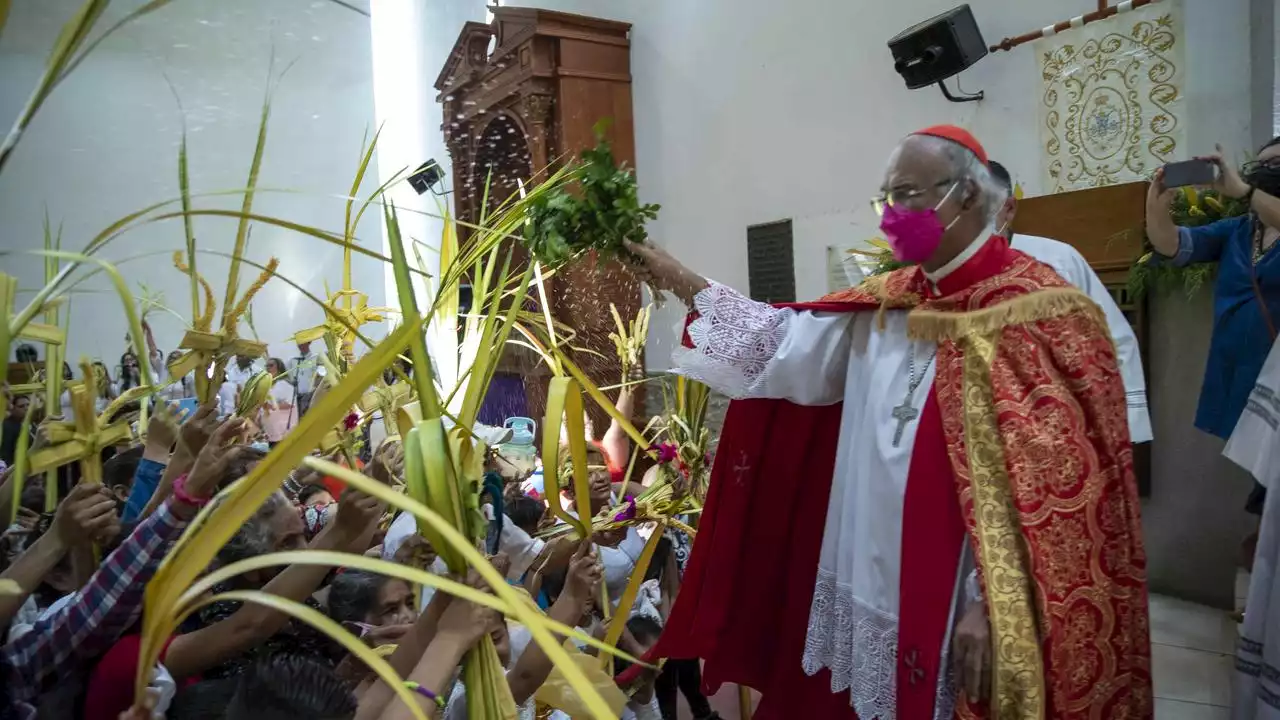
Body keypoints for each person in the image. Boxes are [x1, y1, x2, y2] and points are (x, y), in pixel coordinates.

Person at [627, 126, 1151, 717]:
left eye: (907, 196)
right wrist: (678, 277)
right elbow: (782, 346)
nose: (892, 216)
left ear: (967, 197)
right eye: (886, 200)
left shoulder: (1039, 311)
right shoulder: (888, 302)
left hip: (961, 591)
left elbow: (1062, 496)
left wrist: (998, 603)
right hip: (868, 569)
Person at [991, 160, 1153, 443]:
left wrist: (1122, 423)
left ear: (1008, 208)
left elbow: (1111, 339)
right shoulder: (938, 275)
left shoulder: (1056, 261)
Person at [259, 358, 298, 447]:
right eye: (267, 366)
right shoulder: (269, 385)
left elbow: (290, 403)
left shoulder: (285, 384)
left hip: (283, 428)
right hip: (271, 428)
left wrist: (271, 406)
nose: (268, 368)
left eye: (271, 365)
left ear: (279, 368)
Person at [287, 340, 322, 417]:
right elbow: (286, 376)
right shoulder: (293, 360)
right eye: (298, 343)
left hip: (311, 396)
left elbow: (320, 376)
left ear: (309, 342)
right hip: (296, 397)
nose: (300, 345)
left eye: (303, 342)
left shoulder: (316, 358)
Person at [0, 395, 30, 466]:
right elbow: (6, 453)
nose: (26, 408)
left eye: (28, 405)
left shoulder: (32, 423)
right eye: (21, 406)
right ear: (12, 409)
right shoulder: (7, 426)